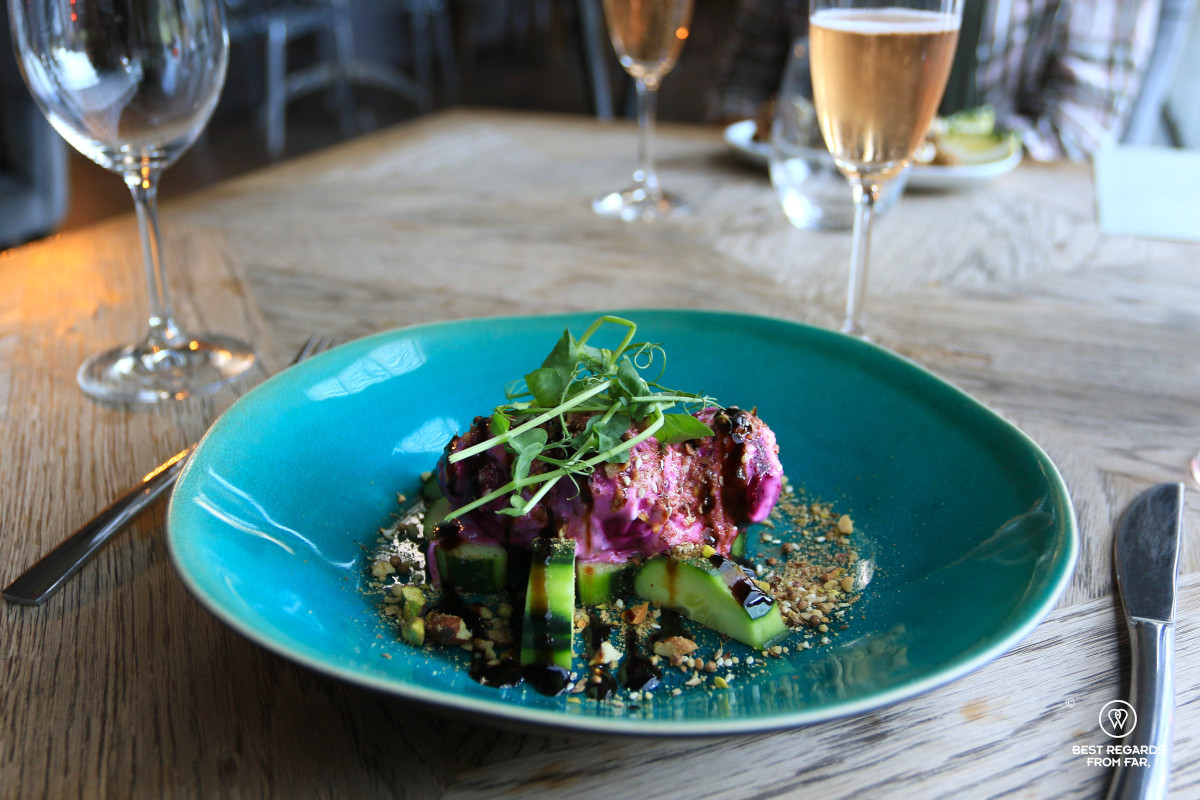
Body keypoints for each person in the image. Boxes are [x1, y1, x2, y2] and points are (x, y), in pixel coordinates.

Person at [709, 0, 1169, 160]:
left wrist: (934, 155)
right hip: (808, 188)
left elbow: (1078, 132)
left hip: (989, 214)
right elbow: (742, 85)